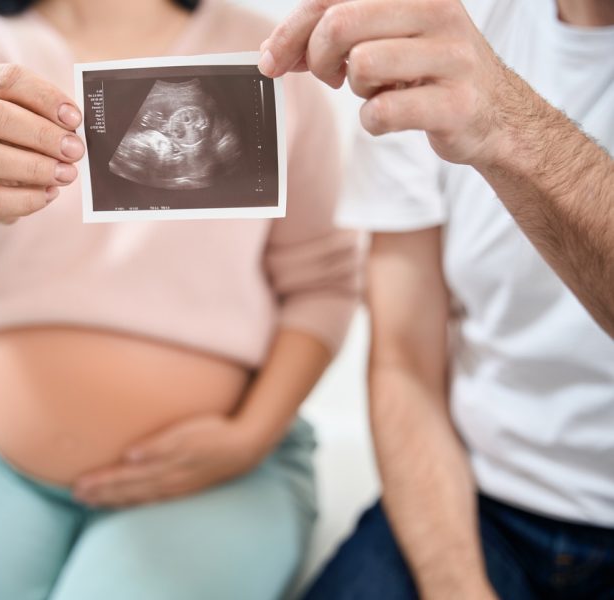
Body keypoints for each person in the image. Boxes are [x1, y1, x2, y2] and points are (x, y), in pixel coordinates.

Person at [0, 0, 360, 598]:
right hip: (0, 459)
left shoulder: (272, 58)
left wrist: (251, 435)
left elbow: (323, 281)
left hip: (223, 474)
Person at [259, 0, 614, 598]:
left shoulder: (450, 49)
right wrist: (456, 585)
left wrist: (505, 120)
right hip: (476, 501)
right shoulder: (437, 28)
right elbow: (404, 363)